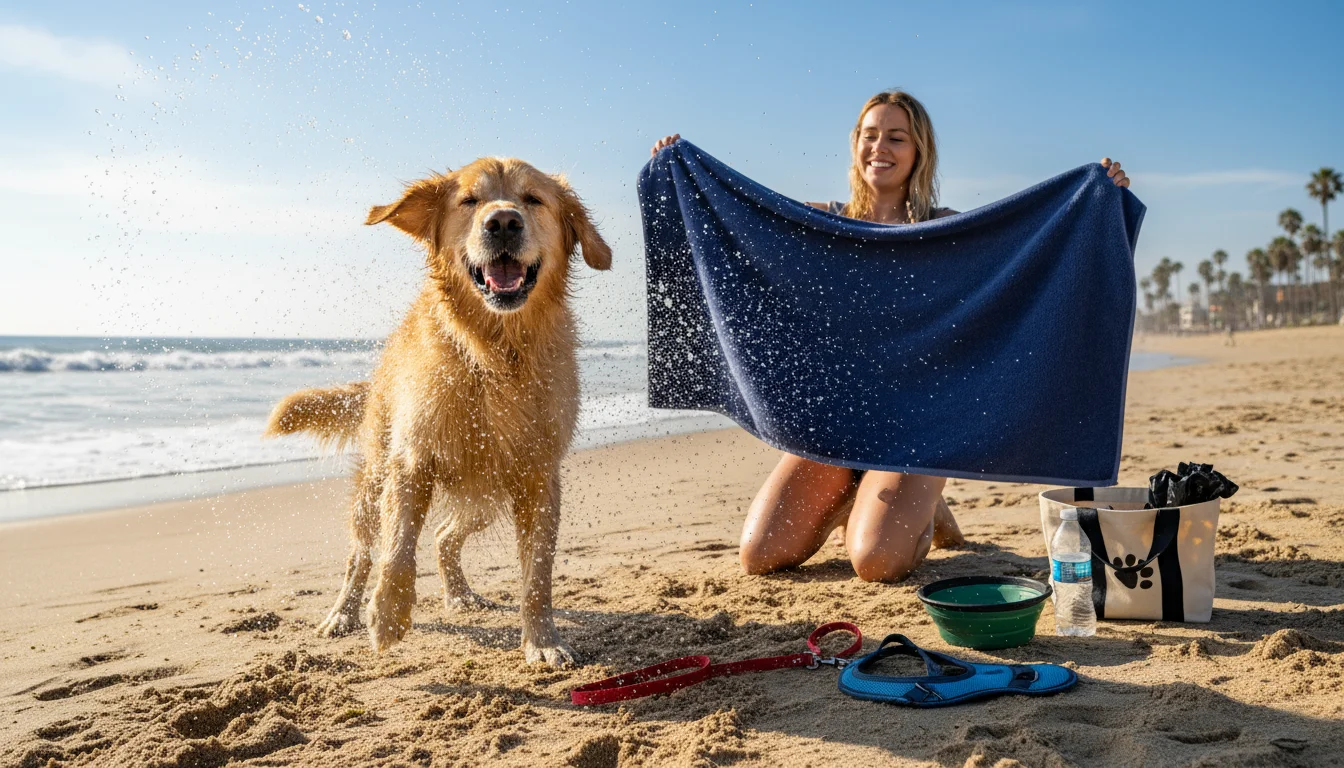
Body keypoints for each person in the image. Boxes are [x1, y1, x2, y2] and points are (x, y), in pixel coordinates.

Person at [651, 90, 1131, 582]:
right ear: (855, 143)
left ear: (918, 150)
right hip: (834, 424)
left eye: (896, 138)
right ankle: (859, 496)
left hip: (918, 434)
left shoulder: (948, 230)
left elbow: (1030, 244)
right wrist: (681, 172)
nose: (880, 147)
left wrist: (1093, 195)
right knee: (760, 557)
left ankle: (919, 503)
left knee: (876, 563)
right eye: (870, 135)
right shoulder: (822, 221)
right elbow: (740, 220)